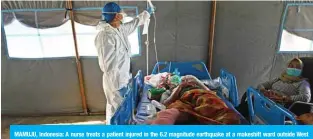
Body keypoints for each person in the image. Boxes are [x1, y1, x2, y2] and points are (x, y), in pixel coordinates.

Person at [95, 2, 153, 125]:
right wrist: (119, 86)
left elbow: (134, 23)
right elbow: (108, 65)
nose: (123, 14)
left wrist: (147, 13)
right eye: (120, 12)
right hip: (115, 82)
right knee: (117, 112)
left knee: (123, 111)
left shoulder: (119, 29)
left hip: (123, 78)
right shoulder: (105, 36)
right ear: (116, 16)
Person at [237, 57, 311, 120]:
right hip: (266, 99)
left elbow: (306, 97)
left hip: (279, 105)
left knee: (247, 107)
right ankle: (234, 116)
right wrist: (264, 91)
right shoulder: (280, 78)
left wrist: (284, 98)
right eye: (291, 66)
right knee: (250, 102)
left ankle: (234, 118)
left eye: (297, 67)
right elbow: (261, 85)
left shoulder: (302, 83)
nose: (293, 68)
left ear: (301, 70)